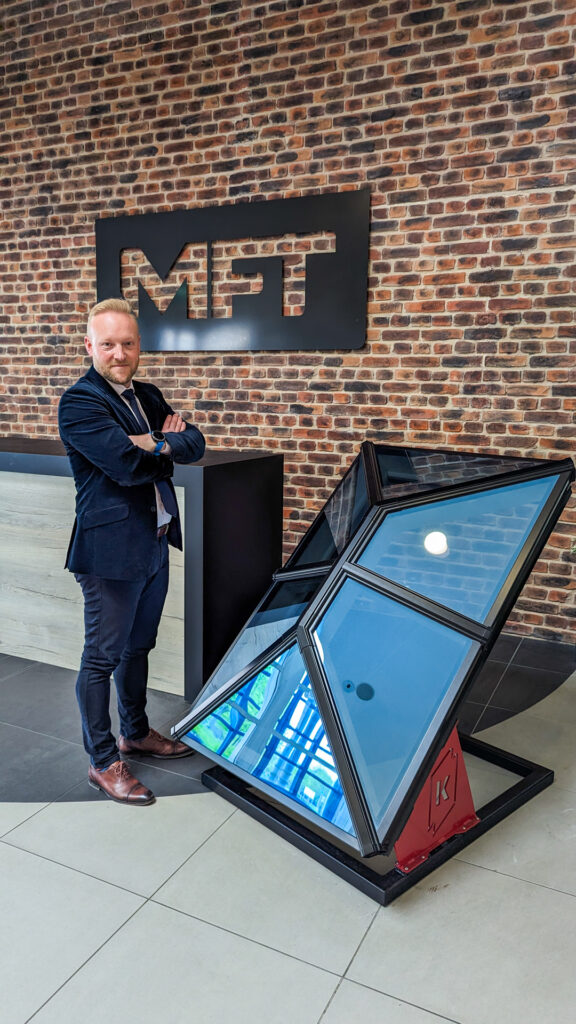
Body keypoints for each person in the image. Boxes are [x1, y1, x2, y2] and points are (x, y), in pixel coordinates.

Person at [58, 298, 205, 806]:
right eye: (108, 344)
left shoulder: (147, 394)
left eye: (127, 343)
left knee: (138, 647)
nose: (119, 353)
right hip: (110, 553)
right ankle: (103, 761)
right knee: (101, 657)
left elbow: (196, 443)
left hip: (155, 541)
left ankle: (135, 731)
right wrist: (159, 449)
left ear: (138, 345)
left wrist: (155, 445)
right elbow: (123, 465)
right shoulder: (81, 401)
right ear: (89, 346)